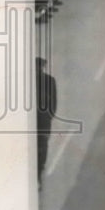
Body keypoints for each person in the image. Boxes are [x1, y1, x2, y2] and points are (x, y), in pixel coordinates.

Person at [36, 56, 57, 186]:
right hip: (34, 121)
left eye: (39, 67)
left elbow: (53, 102)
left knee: (43, 146)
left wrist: (49, 116)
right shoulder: (27, 81)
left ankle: (40, 168)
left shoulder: (50, 81)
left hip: (43, 121)